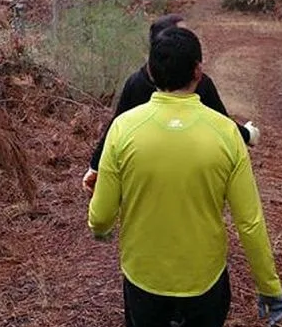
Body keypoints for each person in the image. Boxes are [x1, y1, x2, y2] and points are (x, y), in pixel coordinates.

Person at [87, 26, 282, 327]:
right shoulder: (225, 135)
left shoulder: (124, 129)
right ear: (199, 73)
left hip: (143, 273)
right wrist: (269, 288)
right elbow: (251, 223)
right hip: (204, 278)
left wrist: (98, 230)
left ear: (152, 72)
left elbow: (100, 215)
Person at [81, 13, 258, 194]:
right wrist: (248, 135)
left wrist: (95, 167)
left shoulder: (137, 82)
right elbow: (224, 124)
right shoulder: (198, 82)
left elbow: (222, 121)